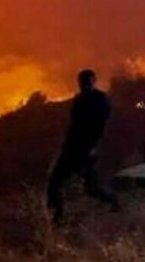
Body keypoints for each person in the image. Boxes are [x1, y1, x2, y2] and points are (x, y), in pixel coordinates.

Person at [47, 69, 119, 223]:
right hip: (73, 148)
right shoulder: (79, 100)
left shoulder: (100, 100)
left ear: (93, 81)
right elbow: (74, 126)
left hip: (86, 150)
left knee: (89, 188)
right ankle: (56, 217)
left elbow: (101, 126)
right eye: (82, 83)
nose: (84, 85)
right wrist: (66, 145)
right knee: (55, 181)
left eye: (87, 82)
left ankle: (113, 201)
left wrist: (93, 147)